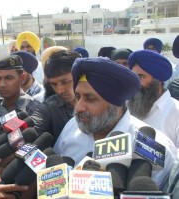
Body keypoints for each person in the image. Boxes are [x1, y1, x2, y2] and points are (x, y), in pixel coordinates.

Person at [54, 57, 177, 190]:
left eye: (90, 98)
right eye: (78, 97)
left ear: (115, 104)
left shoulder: (156, 148)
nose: (78, 107)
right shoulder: (72, 126)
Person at [127, 49, 179, 148]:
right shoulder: (126, 106)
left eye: (141, 77)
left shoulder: (176, 113)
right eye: (133, 77)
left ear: (157, 80)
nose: (135, 82)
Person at [31, 50, 80, 146]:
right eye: (54, 84)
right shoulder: (49, 107)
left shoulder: (103, 100)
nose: (60, 90)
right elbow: (35, 125)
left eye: (65, 82)